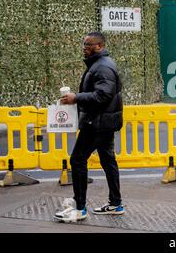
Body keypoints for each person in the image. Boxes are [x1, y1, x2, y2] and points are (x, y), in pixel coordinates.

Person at [54, 31, 124, 222]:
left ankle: (80, 208)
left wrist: (76, 97)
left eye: (88, 45)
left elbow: (103, 95)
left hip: (97, 123)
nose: (84, 48)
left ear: (100, 46)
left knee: (77, 160)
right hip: (103, 122)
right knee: (108, 161)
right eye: (84, 45)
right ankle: (116, 204)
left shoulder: (103, 67)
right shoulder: (101, 65)